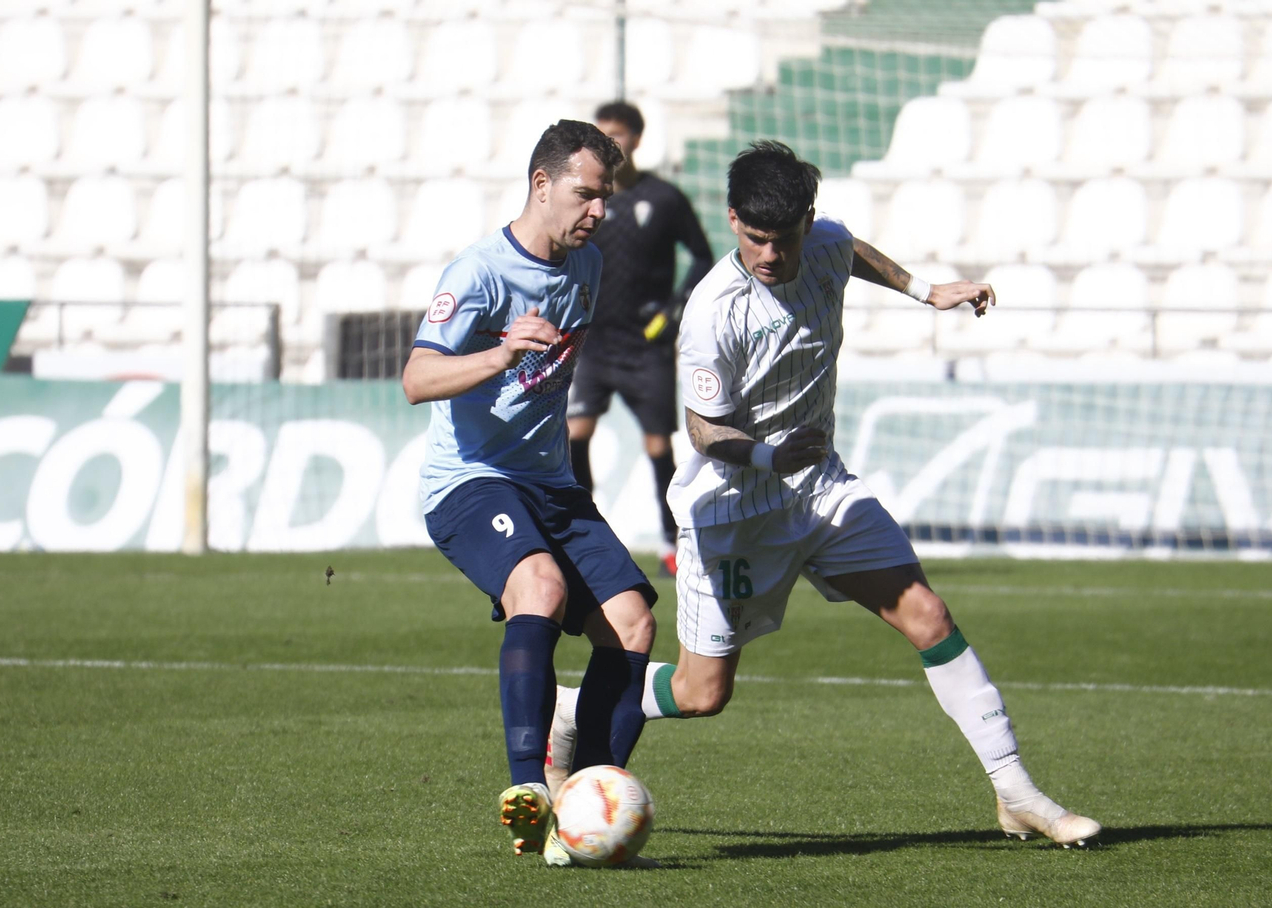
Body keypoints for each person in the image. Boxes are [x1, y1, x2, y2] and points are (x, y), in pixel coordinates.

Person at [549, 141, 1102, 847]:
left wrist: (925, 291)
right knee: (702, 694)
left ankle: (1018, 793)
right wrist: (770, 454)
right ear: (731, 220)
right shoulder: (715, 310)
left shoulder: (826, 242)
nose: (770, 255)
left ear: (809, 221)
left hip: (820, 492)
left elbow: (852, 251)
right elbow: (700, 429)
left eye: (783, 238)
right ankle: (575, 707)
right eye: (753, 238)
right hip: (732, 513)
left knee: (928, 616)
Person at [403, 120, 659, 862]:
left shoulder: (588, 266)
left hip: (549, 482)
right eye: (585, 193)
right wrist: (500, 351)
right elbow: (417, 379)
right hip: (470, 483)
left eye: (604, 196)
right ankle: (530, 794)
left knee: (634, 622)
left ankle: (589, 799)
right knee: (539, 587)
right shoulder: (478, 273)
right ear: (541, 186)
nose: (598, 211)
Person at [567, 101, 714, 578]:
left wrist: (673, 311)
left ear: (636, 139)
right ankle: (582, 535)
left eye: (619, 135)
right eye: (602, 135)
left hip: (645, 344)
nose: (612, 144)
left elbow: (702, 257)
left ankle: (673, 543)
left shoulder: (664, 198)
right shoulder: (587, 198)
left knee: (657, 446)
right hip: (593, 340)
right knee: (575, 433)